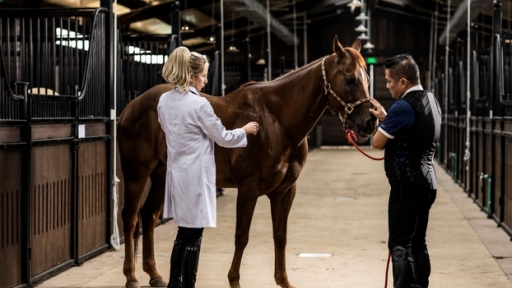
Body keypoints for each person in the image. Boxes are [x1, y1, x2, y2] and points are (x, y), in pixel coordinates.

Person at [157, 46, 259, 288]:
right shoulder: (199, 105)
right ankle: (187, 284)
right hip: (195, 177)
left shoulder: (163, 100)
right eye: (203, 76)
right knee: (193, 235)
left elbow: (165, 127)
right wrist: (245, 130)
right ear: (192, 76)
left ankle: (175, 283)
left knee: (183, 233)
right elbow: (223, 137)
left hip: (176, 174)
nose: (205, 81)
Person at [368, 54, 442, 288]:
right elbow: (414, 131)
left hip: (405, 187)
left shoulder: (402, 106)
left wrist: (382, 123)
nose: (387, 85)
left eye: (390, 81)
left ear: (403, 82)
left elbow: (377, 143)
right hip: (427, 183)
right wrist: (387, 118)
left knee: (399, 245)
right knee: (418, 242)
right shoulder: (430, 99)